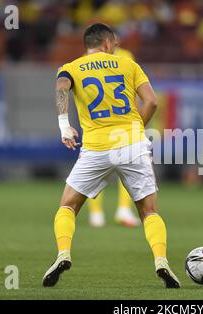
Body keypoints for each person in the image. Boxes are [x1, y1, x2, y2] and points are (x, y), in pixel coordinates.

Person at [42, 23, 180, 288]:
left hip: (96, 147)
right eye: (114, 44)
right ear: (107, 43)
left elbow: (61, 87)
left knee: (68, 206)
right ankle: (161, 261)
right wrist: (137, 128)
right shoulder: (128, 65)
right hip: (132, 144)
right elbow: (152, 101)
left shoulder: (71, 68)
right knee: (149, 211)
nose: (115, 48)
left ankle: (63, 253)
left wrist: (63, 125)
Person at [87, 46, 141, 228]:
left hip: (100, 123)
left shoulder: (88, 58)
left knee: (96, 168)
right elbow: (136, 88)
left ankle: (99, 214)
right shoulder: (126, 56)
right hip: (122, 123)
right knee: (129, 167)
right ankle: (117, 210)